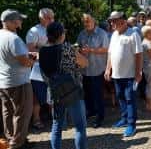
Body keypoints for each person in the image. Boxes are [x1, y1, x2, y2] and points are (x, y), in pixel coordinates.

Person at [39, 22, 88, 149]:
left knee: (56, 127)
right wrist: (78, 53)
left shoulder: (42, 51)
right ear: (61, 35)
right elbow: (84, 63)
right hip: (72, 91)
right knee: (80, 127)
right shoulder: (67, 48)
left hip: (55, 92)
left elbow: (44, 74)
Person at [105, 11, 143, 137]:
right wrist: (107, 69)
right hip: (117, 75)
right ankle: (124, 119)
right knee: (120, 97)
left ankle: (132, 124)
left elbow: (138, 55)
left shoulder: (133, 34)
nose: (111, 24)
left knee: (130, 99)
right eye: (111, 21)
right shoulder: (114, 34)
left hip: (130, 75)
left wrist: (138, 72)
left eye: (114, 21)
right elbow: (110, 53)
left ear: (122, 21)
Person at [0, 9, 34, 149]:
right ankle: (17, 144)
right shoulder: (13, 38)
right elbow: (24, 62)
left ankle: (10, 140)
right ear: (13, 22)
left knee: (7, 112)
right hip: (18, 82)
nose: (21, 22)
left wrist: (26, 55)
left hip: (3, 82)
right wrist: (32, 60)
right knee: (22, 114)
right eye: (19, 19)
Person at [77, 14, 109, 128]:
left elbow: (106, 49)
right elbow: (78, 47)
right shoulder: (82, 34)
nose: (86, 23)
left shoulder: (102, 33)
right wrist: (80, 50)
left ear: (94, 21)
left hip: (98, 69)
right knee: (87, 94)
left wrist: (91, 50)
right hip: (85, 70)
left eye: (88, 21)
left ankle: (100, 116)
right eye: (84, 21)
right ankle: (91, 112)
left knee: (98, 94)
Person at [26, 8, 54, 130]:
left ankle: (55, 117)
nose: (52, 20)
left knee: (53, 92)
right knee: (37, 95)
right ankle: (36, 119)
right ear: (42, 18)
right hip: (38, 68)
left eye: (52, 17)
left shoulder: (54, 27)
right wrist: (47, 51)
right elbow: (30, 50)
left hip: (53, 67)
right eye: (49, 17)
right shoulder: (34, 31)